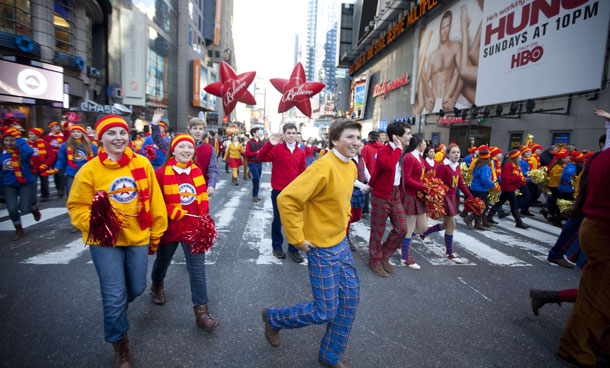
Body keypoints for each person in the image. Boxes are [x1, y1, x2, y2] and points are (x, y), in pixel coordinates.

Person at [67, 115, 167, 368]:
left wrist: (156, 233)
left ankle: (118, 311)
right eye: (111, 133)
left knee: (135, 289)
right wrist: (97, 222)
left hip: (137, 237)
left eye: (122, 133)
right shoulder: (88, 170)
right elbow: (76, 207)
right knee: (113, 296)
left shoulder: (142, 164)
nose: (118, 138)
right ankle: (120, 343)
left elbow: (156, 201)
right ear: (100, 138)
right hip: (104, 241)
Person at [261, 118, 362, 368]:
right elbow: (287, 200)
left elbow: (341, 201)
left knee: (350, 299)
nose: (356, 142)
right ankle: (274, 318)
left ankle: (330, 355)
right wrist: (296, 239)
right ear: (335, 140)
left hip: (340, 243)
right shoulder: (322, 167)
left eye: (358, 138)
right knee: (325, 311)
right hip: (321, 248)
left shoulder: (350, 166)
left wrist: (344, 222)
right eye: (350, 137)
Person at [556, 109, 610, 367]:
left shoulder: (601, 157)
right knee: (599, 295)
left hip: (595, 226)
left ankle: (597, 341)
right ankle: (577, 346)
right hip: (602, 230)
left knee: (599, 293)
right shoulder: (603, 158)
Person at [149, 134, 220, 331]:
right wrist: (171, 210)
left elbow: (202, 199)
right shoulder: (161, 173)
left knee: (197, 270)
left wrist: (205, 221)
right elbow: (155, 202)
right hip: (170, 228)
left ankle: (202, 313)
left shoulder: (197, 172)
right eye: (181, 146)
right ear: (173, 150)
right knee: (162, 262)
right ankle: (156, 285)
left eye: (189, 147)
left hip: (194, 229)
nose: (186, 150)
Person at [256, 123, 306, 263]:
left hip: (295, 192)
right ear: (284, 135)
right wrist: (269, 144)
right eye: (288, 133)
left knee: (295, 221)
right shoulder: (277, 149)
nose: (291, 136)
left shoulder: (300, 152)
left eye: (293, 133)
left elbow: (302, 173)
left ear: (297, 134)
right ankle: (277, 246)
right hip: (279, 191)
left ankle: (293, 249)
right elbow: (260, 158)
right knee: (278, 220)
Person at [367, 122, 411, 277]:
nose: (410, 137)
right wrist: (398, 148)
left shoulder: (401, 151)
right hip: (381, 194)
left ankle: (384, 256)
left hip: (395, 195)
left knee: (402, 229)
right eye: (407, 134)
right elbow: (389, 166)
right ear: (397, 136)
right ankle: (374, 260)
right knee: (377, 230)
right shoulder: (384, 151)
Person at [421, 145, 473, 263]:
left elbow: (460, 183)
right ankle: (450, 253)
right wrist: (437, 199)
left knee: (447, 224)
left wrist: (470, 196)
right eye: (453, 152)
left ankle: (425, 232)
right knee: (451, 224)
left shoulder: (457, 166)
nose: (456, 155)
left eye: (458, 152)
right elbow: (435, 183)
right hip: (444, 198)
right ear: (447, 154)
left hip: (453, 198)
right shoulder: (443, 167)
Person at [150, 111, 218, 196]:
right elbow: (160, 141)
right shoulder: (179, 142)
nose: (197, 131)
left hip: (200, 187)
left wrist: (211, 185)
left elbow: (213, 169)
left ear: (204, 131)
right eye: (195, 128)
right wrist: (155, 125)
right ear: (190, 130)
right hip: (177, 185)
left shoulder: (209, 149)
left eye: (200, 129)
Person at [1, 127, 41, 240]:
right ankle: (18, 228)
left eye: (12, 140)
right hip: (9, 184)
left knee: (24, 208)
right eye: (6, 140)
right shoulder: (2, 153)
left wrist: (18, 138)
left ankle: (33, 209)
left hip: (25, 183)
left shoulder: (22, 151)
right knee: (12, 208)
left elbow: (30, 151)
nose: (9, 143)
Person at [425, 10, 463, 113]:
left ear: (450, 27)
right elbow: (425, 81)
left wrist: (454, 98)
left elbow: (462, 73)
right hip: (432, 103)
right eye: (442, 27)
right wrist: (425, 98)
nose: (445, 30)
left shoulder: (456, 47)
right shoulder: (433, 55)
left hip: (448, 101)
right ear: (439, 29)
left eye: (447, 26)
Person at [400, 134, 429, 270]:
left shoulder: (419, 157)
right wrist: (425, 187)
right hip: (410, 196)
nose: (426, 145)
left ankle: (398, 241)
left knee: (422, 227)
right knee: (409, 228)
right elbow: (406, 179)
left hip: (419, 196)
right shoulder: (409, 157)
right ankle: (405, 257)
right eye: (424, 142)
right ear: (419, 143)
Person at [45, 124, 98, 197]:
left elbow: (96, 159)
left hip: (86, 174)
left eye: (78, 132)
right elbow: (61, 159)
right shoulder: (65, 145)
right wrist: (56, 169)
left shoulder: (91, 146)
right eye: (73, 132)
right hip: (71, 173)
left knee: (86, 196)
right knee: (71, 195)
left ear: (82, 133)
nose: (76, 133)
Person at [486, 149, 530, 229]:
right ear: (515, 157)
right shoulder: (509, 165)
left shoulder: (514, 164)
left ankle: (489, 216)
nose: (521, 156)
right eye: (519, 155)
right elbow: (506, 178)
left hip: (509, 187)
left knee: (500, 202)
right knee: (514, 204)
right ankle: (518, 222)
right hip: (507, 187)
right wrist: (519, 178)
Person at [347, 141, 371, 250]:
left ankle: (342, 231)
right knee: (349, 216)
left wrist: (371, 183)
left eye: (361, 145)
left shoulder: (361, 159)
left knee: (357, 216)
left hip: (360, 191)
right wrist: (363, 186)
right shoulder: (348, 160)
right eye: (359, 145)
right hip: (351, 191)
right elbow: (351, 179)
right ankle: (345, 237)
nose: (361, 147)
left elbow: (366, 173)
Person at [467, 147, 496, 229]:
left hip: (476, 187)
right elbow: (485, 179)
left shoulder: (478, 164)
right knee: (484, 206)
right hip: (481, 189)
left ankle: (477, 223)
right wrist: (493, 185)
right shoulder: (485, 166)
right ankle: (469, 219)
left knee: (479, 205)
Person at [27, 127, 56, 203]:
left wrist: (45, 165)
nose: (30, 135)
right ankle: (33, 199)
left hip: (43, 167)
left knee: (44, 182)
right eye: (29, 134)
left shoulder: (45, 144)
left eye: (32, 134)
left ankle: (45, 195)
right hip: (32, 168)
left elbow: (51, 156)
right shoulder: (27, 144)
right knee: (33, 183)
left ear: (37, 135)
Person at [547, 149, 570, 226]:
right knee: (556, 203)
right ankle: (554, 217)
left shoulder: (563, 166)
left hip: (558, 187)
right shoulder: (557, 167)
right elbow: (559, 177)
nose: (568, 159)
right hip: (555, 186)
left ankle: (552, 214)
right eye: (565, 158)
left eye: (567, 157)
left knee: (555, 202)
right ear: (561, 159)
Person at [43, 121, 66, 197]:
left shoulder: (63, 136)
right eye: (55, 126)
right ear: (51, 128)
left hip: (62, 158)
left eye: (58, 126)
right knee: (55, 174)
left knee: (61, 174)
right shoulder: (47, 137)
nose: (57, 128)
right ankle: (57, 187)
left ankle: (61, 189)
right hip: (53, 158)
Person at [243, 127, 264, 202]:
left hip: (259, 163)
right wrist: (256, 153)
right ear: (254, 133)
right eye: (258, 132)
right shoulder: (250, 143)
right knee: (256, 178)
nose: (259, 133)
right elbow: (246, 153)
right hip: (252, 162)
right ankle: (254, 195)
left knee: (258, 180)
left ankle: (255, 195)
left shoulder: (262, 142)